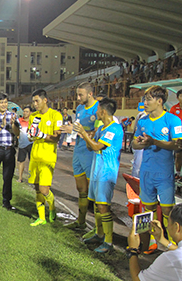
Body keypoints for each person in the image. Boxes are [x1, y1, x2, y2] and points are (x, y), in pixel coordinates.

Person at [132, 85, 182, 245]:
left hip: (165, 174)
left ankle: (172, 244)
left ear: (159, 101)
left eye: (148, 99)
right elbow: (134, 144)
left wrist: (154, 141)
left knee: (168, 210)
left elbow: (178, 145)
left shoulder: (173, 120)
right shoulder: (143, 121)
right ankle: (149, 242)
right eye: (144, 99)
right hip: (146, 172)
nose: (144, 102)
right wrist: (140, 143)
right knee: (148, 209)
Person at [74, 98, 123, 252]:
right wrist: (85, 136)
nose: (96, 112)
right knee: (96, 205)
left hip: (106, 173)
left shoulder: (114, 129)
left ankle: (108, 242)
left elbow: (96, 146)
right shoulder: (102, 128)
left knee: (103, 206)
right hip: (97, 171)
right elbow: (91, 148)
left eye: (98, 109)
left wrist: (84, 133)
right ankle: (99, 233)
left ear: (103, 111)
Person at [125, 204, 182, 281]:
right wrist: (162, 240)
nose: (167, 226)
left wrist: (133, 250)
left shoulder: (171, 259)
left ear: (177, 227)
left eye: (168, 222)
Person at [63, 82, 99, 232]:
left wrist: (78, 131)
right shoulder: (79, 108)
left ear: (90, 94)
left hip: (90, 153)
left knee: (94, 192)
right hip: (78, 152)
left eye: (81, 95)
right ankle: (81, 221)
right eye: (77, 94)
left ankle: (99, 229)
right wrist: (69, 130)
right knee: (81, 189)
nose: (78, 98)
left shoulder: (99, 109)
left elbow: (97, 133)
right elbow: (77, 128)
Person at [27, 90, 62, 226]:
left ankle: (52, 206)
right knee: (36, 188)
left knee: (44, 189)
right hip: (35, 156)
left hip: (48, 157)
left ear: (45, 100)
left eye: (37, 101)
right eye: (33, 101)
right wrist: (31, 135)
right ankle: (41, 217)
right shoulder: (33, 116)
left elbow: (57, 137)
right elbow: (31, 135)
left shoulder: (55, 115)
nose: (35, 104)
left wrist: (41, 135)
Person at [0, 92, 21, 211]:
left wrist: (13, 124)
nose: (4, 104)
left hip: (9, 150)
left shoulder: (13, 116)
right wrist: (1, 126)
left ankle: (6, 201)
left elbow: (17, 134)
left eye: (5, 102)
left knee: (8, 177)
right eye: (1, 102)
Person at [17, 106, 33, 183]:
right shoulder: (19, 120)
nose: (25, 113)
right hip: (22, 144)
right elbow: (15, 130)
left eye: (27, 111)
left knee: (32, 162)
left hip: (31, 144)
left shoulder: (33, 121)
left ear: (30, 113)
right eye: (24, 111)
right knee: (21, 161)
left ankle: (32, 179)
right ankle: (20, 178)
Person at [169, 89, 182, 182]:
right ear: (178, 98)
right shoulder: (174, 108)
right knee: (178, 155)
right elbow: (170, 122)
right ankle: (177, 173)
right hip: (178, 136)